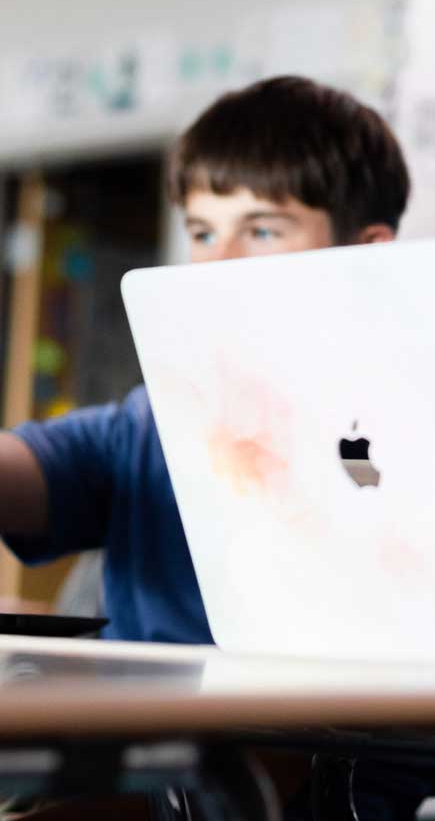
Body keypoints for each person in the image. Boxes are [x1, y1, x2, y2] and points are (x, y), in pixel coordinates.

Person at [0, 76, 410, 644]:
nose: (216, 263)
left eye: (262, 230)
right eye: (202, 231)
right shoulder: (154, 420)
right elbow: (33, 469)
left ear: (367, 252)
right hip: (145, 730)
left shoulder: (415, 429)